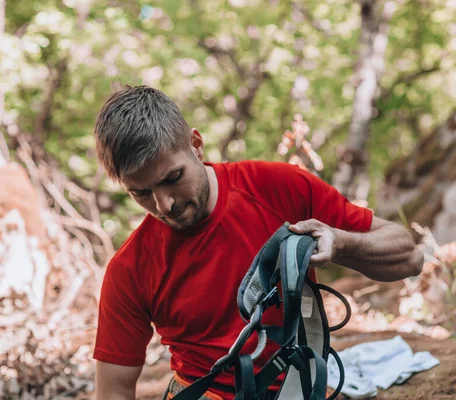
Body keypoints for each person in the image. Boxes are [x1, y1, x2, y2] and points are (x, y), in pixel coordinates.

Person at [92, 85, 423, 400]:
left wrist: (341, 242)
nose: (164, 205)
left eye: (172, 178)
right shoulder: (130, 268)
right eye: (141, 193)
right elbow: (113, 390)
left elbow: (409, 256)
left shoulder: (277, 188)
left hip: (296, 386)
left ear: (195, 144)